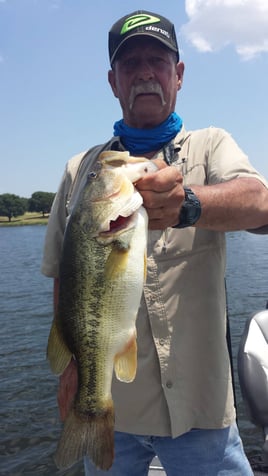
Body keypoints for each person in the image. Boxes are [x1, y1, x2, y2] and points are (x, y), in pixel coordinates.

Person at [42, 10, 268, 476]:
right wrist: (72, 369)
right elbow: (68, 275)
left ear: (179, 75)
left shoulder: (211, 147)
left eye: (158, 60)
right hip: (114, 407)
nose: (145, 72)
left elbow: (260, 202)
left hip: (201, 410)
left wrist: (191, 203)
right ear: (113, 81)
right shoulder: (80, 171)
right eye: (131, 64)